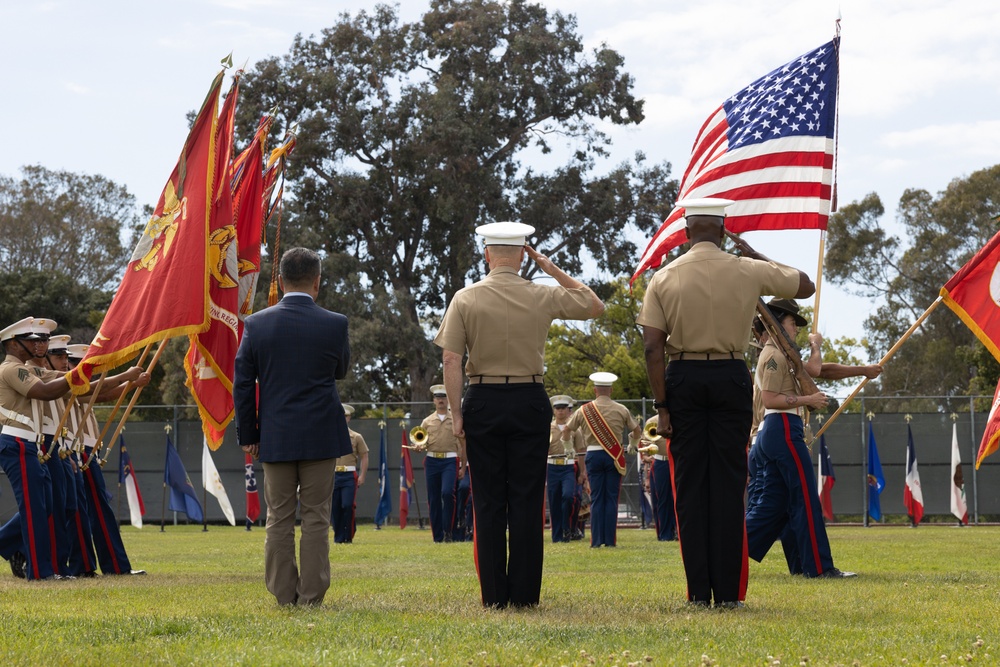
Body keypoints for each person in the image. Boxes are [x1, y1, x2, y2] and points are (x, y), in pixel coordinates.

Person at [637, 197, 815, 608]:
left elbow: (652, 349)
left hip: (682, 379)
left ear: (685, 233)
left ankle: (699, 592)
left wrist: (663, 408)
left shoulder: (662, 278)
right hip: (730, 376)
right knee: (731, 486)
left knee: (690, 487)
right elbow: (803, 285)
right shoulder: (747, 269)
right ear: (723, 230)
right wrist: (755, 254)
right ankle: (730, 594)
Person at [434, 221, 603, 608]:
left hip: (483, 400)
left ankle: (494, 596)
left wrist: (458, 416)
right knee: (527, 499)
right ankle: (525, 597)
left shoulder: (465, 297)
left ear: (487, 253)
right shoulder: (541, 294)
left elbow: (450, 358)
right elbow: (594, 305)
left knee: (489, 500)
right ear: (524, 256)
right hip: (529, 397)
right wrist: (550, 268)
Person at [233, 247, 352, 606]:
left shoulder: (256, 324)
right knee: (317, 517)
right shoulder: (336, 323)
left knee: (278, 517)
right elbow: (340, 371)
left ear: (280, 281)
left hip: (276, 435)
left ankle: (284, 595)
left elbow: (242, 383)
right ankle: (311, 596)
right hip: (320, 434)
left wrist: (249, 434)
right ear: (317, 282)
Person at [745, 298, 881, 578]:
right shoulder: (774, 355)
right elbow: (771, 399)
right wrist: (809, 399)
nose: (795, 328)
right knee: (805, 499)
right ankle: (819, 568)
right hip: (781, 426)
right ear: (778, 322)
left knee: (774, 505)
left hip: (779, 429)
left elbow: (818, 370)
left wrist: (859, 369)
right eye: (792, 322)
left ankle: (729, 550)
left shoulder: (783, 354)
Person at [0, 319, 146, 580]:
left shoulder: (31, 371)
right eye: (32, 340)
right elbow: (46, 391)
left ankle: (47, 566)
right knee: (40, 508)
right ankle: (42, 570)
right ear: (13, 343)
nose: (38, 345)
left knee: (54, 507)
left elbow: (86, 388)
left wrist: (122, 379)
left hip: (37, 443)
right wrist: (121, 377)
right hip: (22, 441)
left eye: (42, 341)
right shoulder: (13, 370)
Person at [66, 343, 149, 576]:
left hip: (88, 449)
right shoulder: (69, 385)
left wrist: (131, 384)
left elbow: (104, 394)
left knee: (92, 509)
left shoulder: (84, 387)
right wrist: (126, 378)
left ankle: (113, 566)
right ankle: (108, 566)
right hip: (76, 450)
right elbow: (91, 392)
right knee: (77, 508)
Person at [564, 372, 640, 548]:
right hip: (614, 456)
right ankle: (610, 541)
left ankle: (596, 541)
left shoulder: (584, 410)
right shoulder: (622, 409)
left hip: (593, 455)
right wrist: (632, 445)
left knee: (597, 498)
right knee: (611, 498)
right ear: (611, 390)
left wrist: (569, 450)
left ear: (594, 390)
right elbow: (637, 431)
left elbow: (566, 431)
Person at [415, 384, 464, 543]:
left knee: (447, 493)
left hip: (450, 460)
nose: (441, 400)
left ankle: (448, 531)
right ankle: (438, 536)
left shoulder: (457, 420)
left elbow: (463, 444)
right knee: (434, 498)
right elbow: (420, 441)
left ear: (449, 400)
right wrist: (418, 446)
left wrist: (463, 464)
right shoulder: (427, 421)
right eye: (438, 397)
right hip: (432, 460)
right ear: (434, 400)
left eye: (443, 397)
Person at [546, 394, 585, 543]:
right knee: (554, 501)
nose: (560, 411)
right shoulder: (548, 428)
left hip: (569, 466)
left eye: (563, 408)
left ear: (568, 410)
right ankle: (557, 536)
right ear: (554, 411)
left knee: (568, 496)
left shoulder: (575, 428)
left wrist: (582, 472)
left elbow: (581, 451)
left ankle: (567, 527)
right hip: (553, 466)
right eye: (557, 408)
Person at [331, 405, 368, 544]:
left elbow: (364, 456)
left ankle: (348, 535)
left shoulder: (356, 437)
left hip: (349, 475)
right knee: (335, 507)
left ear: (349, 418)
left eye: (345, 416)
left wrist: (362, 475)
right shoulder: (330, 436)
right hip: (333, 475)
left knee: (347, 505)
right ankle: (338, 537)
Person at [642, 415, 676, 542]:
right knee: (662, 499)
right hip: (661, 461)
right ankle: (665, 533)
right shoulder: (652, 422)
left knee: (679, 498)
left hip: (678, 461)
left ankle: (678, 531)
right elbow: (647, 449)